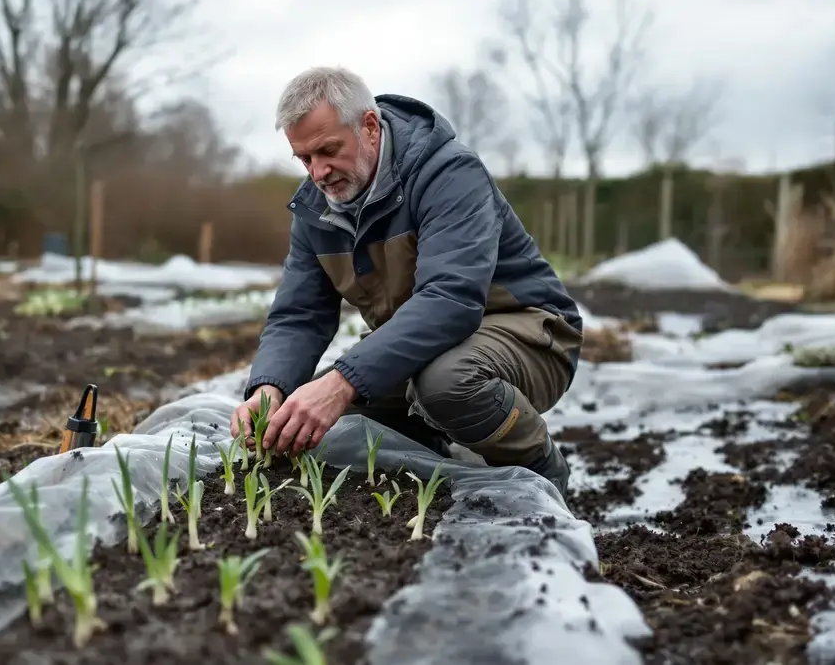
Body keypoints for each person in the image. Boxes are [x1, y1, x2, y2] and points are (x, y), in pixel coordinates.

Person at [228, 66, 584, 496]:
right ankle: (430, 457)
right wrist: (270, 388)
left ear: (370, 127)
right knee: (314, 418)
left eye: (328, 151)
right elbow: (300, 314)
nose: (318, 172)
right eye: (305, 159)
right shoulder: (315, 209)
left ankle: (541, 472)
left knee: (445, 383)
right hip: (425, 347)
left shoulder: (447, 174)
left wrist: (341, 382)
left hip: (530, 333)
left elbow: (450, 301)